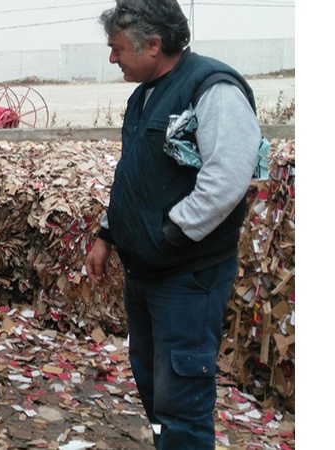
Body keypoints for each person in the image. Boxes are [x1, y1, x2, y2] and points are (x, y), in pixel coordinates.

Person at [85, 1, 263, 448]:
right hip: (146, 273)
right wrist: (108, 234)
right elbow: (135, 176)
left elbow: (227, 179)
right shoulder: (145, 94)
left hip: (187, 278)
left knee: (182, 398)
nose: (112, 58)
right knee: (152, 382)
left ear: (154, 45)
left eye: (117, 48)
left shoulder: (212, 89)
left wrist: (169, 236)